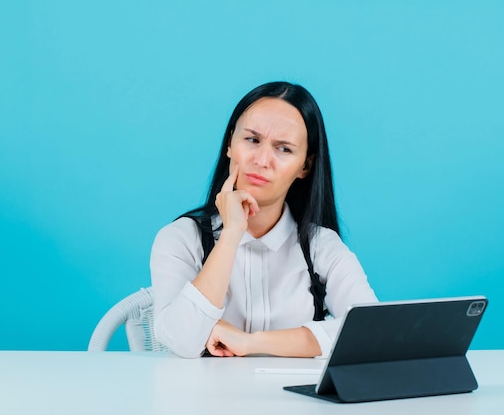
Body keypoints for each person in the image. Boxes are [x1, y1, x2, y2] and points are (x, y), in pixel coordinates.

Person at [150, 81, 377, 358]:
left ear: (305, 166)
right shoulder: (182, 238)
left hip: (295, 401)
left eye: (284, 149)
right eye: (252, 140)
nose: (262, 160)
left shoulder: (321, 246)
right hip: (202, 401)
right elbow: (183, 339)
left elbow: (371, 332)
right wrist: (232, 233)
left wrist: (251, 342)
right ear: (230, 144)